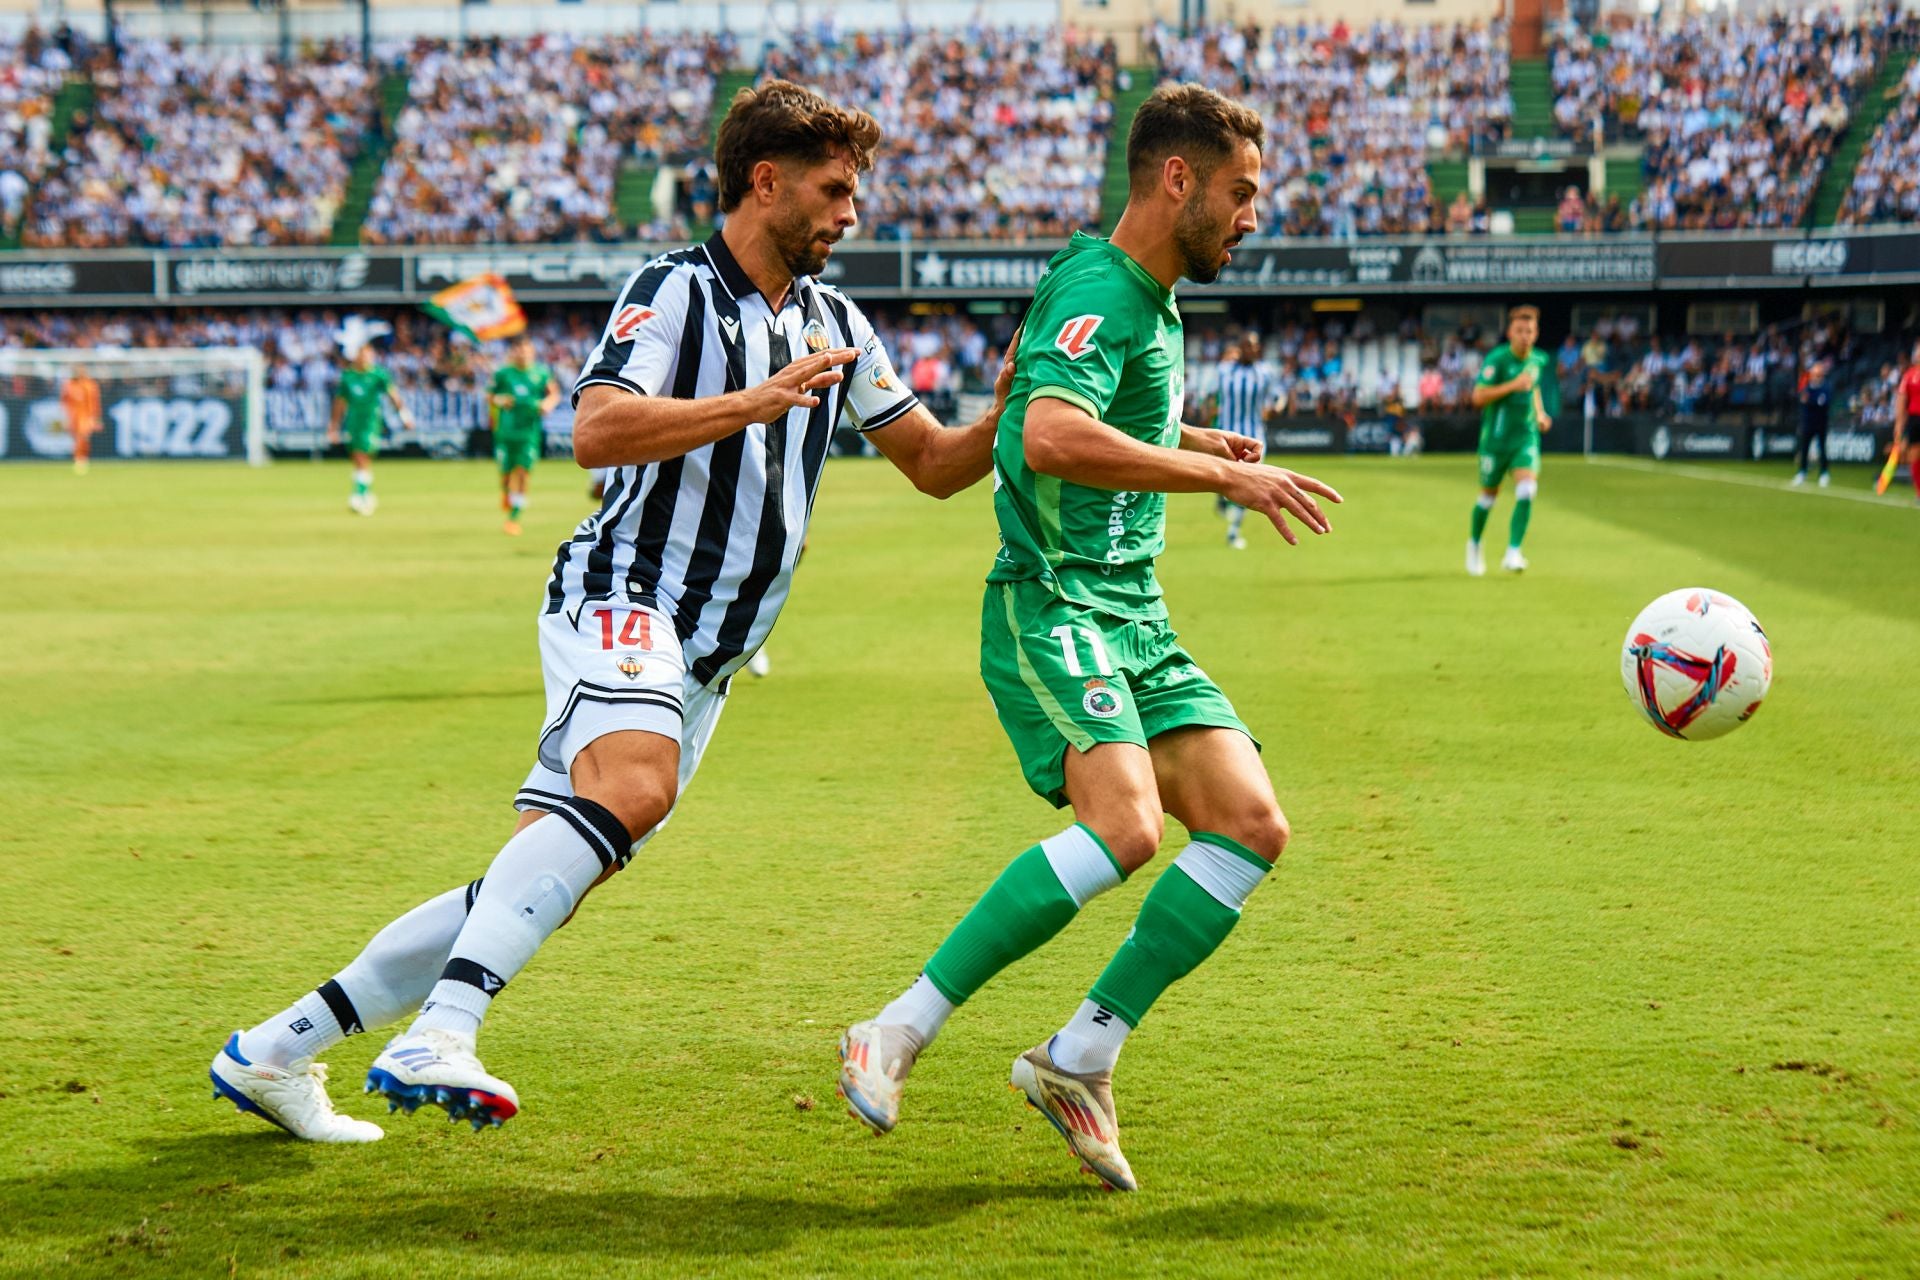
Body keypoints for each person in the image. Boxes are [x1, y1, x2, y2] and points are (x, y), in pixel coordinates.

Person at [209, 79, 1016, 1142]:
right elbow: (595, 429)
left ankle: (275, 1048)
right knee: (634, 787)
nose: (850, 211)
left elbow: (935, 464)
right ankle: (441, 1030)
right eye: (833, 188)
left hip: (712, 652)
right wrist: (753, 401)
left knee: (534, 872)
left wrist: (1007, 407)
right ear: (764, 182)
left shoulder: (836, 321)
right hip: (628, 592)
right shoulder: (676, 288)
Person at [837, 83, 1342, 1192]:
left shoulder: (1151, 303)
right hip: (1057, 599)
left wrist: (1194, 433)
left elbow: (1090, 412)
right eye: (1243, 192)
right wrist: (1218, 472)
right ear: (1179, 179)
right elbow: (1054, 432)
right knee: (1128, 828)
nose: (1254, 214)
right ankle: (894, 1027)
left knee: (1252, 824)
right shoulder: (1098, 286)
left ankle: (1079, 1055)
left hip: (1135, 611)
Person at [1466, 305, 1553, 576]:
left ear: (1536, 333)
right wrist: (1512, 386)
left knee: (1527, 489)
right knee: (1488, 498)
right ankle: (1474, 545)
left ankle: (1513, 551)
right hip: (1496, 439)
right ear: (1510, 333)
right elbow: (1478, 397)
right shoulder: (1498, 359)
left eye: (1529, 331)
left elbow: (1534, 387)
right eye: (1519, 331)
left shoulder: (1538, 360)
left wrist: (1540, 413)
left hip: (1525, 438)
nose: (1524, 336)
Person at [327, 342, 413, 515]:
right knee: (358, 458)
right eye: (362, 355)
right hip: (354, 420)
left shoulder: (378, 375)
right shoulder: (348, 377)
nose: (365, 358)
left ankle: (359, 495)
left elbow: (393, 395)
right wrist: (334, 426)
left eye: (368, 355)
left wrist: (404, 416)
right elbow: (340, 402)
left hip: (371, 420)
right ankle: (365, 494)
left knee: (362, 455)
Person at [1207, 339, 1278, 548]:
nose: (1252, 349)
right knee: (1224, 478)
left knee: (1249, 483)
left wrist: (1275, 409)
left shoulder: (1265, 372)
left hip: (1254, 437)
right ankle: (1222, 495)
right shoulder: (1224, 371)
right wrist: (1210, 411)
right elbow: (1210, 394)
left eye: (1255, 346)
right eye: (1248, 345)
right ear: (1241, 348)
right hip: (1226, 435)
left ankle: (1233, 531)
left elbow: (1276, 397)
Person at [488, 335, 559, 535]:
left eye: (527, 351)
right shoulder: (503, 373)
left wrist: (548, 404)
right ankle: (506, 494)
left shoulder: (540, 373)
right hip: (505, 432)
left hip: (528, 432)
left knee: (523, 473)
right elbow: (490, 395)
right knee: (505, 474)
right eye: (520, 350)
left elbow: (553, 393)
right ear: (513, 352)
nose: (523, 354)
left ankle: (514, 518)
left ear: (532, 353)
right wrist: (499, 399)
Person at [1791, 359, 1832, 488]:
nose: (1816, 376)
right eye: (1814, 373)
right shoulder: (1807, 386)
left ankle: (1824, 473)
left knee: (1822, 449)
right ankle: (1802, 472)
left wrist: (1809, 401)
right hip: (1808, 422)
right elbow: (1802, 399)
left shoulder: (1826, 387)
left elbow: (1823, 403)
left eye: (1818, 373)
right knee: (1804, 449)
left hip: (1821, 423)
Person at [58, 363, 101, 474]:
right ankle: (79, 459)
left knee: (83, 437)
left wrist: (95, 418)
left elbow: (94, 403)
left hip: (85, 416)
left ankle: (81, 459)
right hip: (73, 416)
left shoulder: (89, 385)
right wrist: (64, 417)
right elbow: (64, 402)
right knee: (76, 439)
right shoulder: (68, 385)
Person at [1897, 344, 1920, 506]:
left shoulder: (1909, 375)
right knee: (1914, 457)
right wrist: (1899, 425)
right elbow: (1901, 401)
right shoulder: (1909, 375)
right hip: (1915, 418)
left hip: (1914, 419)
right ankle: (1919, 492)